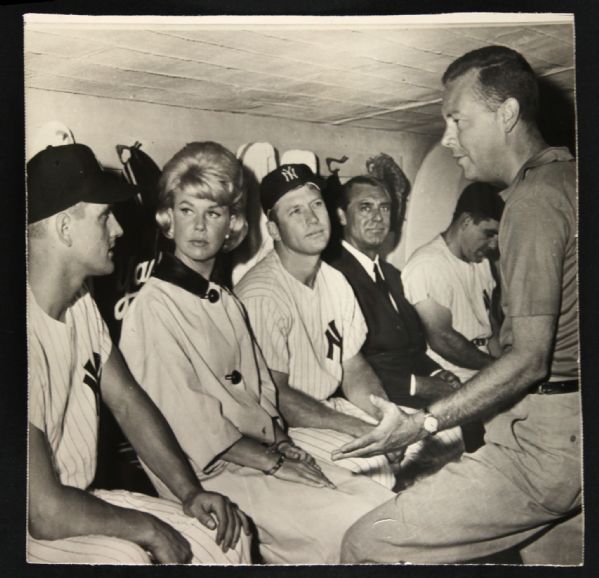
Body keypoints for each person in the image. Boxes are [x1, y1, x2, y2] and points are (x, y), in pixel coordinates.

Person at [338, 45, 581, 564]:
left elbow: (530, 358)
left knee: (365, 544)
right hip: (575, 430)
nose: (449, 138)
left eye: (457, 120)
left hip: (547, 439)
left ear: (507, 114)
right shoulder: (571, 180)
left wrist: (425, 422)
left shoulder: (533, 202)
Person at [119, 142, 395, 564]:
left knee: (381, 503)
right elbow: (191, 424)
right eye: (186, 210)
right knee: (355, 525)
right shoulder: (153, 306)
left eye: (213, 213)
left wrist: (285, 445)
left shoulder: (223, 300)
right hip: (208, 471)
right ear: (167, 220)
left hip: (257, 454)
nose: (199, 226)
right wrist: (272, 462)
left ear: (231, 224)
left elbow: (261, 392)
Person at [27, 143, 250, 564]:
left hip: (79, 496)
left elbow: (128, 402)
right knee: (129, 557)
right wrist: (147, 529)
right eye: (104, 217)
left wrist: (190, 492)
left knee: (224, 537)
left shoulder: (82, 306)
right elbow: (43, 512)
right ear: (64, 228)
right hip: (28, 524)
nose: (119, 231)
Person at [235, 164, 399, 490]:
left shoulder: (334, 279)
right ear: (275, 229)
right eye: (295, 211)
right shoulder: (261, 293)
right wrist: (356, 428)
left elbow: (353, 368)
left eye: (316, 204)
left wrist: (387, 419)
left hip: (326, 407)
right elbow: (276, 396)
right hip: (280, 427)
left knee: (425, 439)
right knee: (373, 467)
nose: (312, 219)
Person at [328, 175, 480, 463]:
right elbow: (345, 367)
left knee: (472, 416)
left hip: (409, 390)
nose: (377, 217)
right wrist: (420, 385)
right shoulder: (333, 276)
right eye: (365, 208)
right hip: (371, 397)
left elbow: (413, 345)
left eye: (384, 208)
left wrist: (437, 373)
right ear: (341, 216)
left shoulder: (394, 276)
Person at [402, 181, 505, 383]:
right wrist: (499, 369)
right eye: (489, 234)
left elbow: (490, 326)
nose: (493, 245)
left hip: (483, 370)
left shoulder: (481, 261)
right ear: (466, 222)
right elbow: (442, 339)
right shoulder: (427, 265)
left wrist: (507, 368)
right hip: (451, 377)